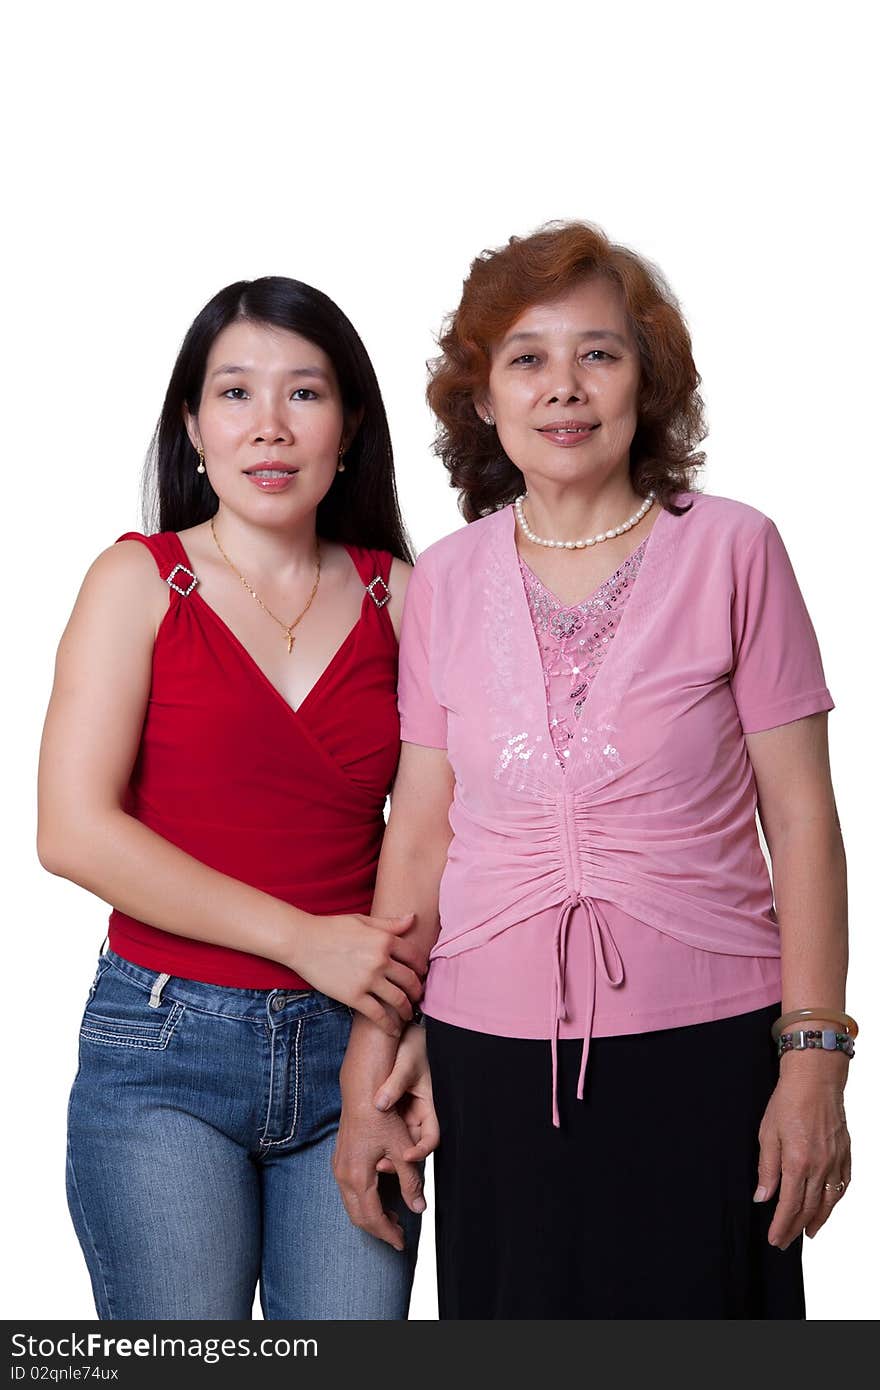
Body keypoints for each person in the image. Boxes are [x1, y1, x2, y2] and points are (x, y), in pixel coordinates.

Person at [333, 223, 854, 1319]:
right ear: (482, 397)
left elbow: (800, 818)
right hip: (487, 1064)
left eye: (598, 355)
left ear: (645, 381)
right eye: (526, 358)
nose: (562, 389)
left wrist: (813, 1059)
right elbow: (419, 830)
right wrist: (370, 1059)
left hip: (708, 1053)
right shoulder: (445, 583)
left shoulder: (734, 550)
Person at [37, 276, 425, 1320]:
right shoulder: (136, 583)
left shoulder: (407, 597)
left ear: (347, 428)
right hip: (161, 1049)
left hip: (360, 1047)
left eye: (304, 394)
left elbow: (443, 834)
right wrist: (304, 938)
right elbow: (72, 831)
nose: (269, 426)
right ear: (193, 427)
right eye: (236, 393)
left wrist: (413, 1021)